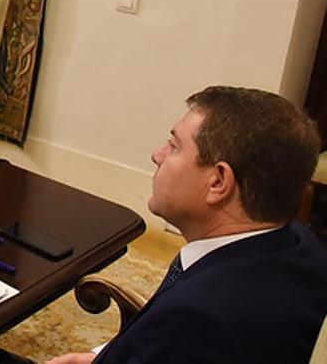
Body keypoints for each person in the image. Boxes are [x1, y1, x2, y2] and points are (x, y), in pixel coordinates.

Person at [46, 86, 327, 364]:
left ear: (218, 182)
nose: (157, 155)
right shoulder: (302, 244)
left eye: (175, 146)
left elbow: (183, 335)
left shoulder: (196, 317)